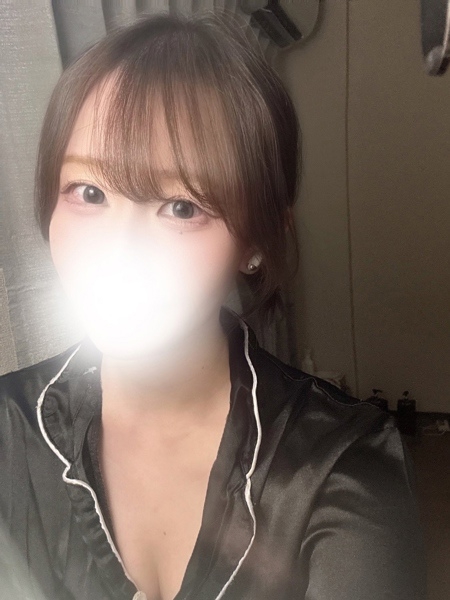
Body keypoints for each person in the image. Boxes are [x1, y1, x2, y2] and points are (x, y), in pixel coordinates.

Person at [0, 10, 427, 600]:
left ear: (256, 243)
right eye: (89, 192)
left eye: (181, 207)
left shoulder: (339, 466)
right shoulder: (10, 432)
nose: (117, 253)